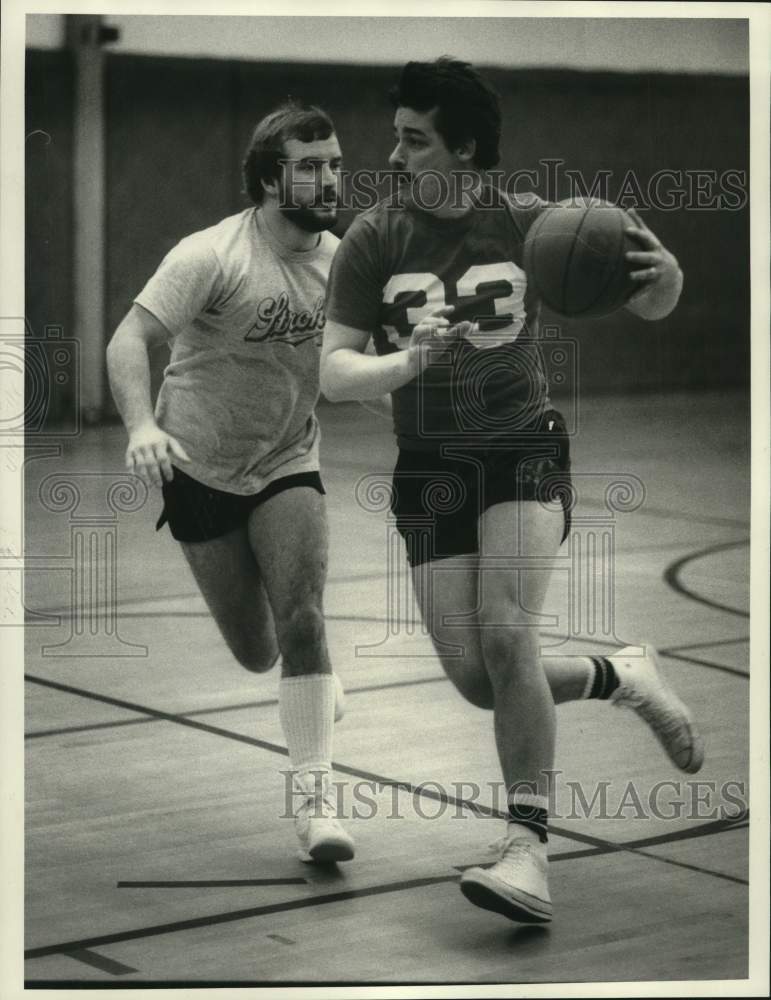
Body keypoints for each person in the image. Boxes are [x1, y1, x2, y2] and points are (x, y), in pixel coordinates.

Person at [320, 57, 703, 923]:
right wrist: (403, 360)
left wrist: (667, 280)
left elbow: (650, 303)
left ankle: (526, 849)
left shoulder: (538, 225)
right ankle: (620, 671)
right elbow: (334, 373)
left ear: (462, 146)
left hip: (522, 451)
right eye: (395, 136)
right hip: (428, 467)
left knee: (505, 639)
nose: (396, 153)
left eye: (414, 139)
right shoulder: (375, 238)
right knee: (477, 677)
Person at [106, 100, 354, 864]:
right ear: (267, 177)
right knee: (258, 651)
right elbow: (130, 337)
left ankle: (315, 805)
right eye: (309, 165)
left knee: (304, 616)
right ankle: (311, 684)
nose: (327, 178)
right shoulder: (211, 255)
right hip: (199, 468)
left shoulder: (343, 264)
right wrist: (142, 426)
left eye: (335, 163)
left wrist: (425, 402)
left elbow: (350, 371)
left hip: (287, 460)